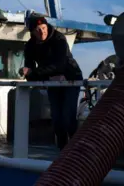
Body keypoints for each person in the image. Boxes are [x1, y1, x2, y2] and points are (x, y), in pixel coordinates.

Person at [21, 15, 83, 150]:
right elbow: (29, 69)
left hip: (71, 79)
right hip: (52, 81)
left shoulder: (59, 39)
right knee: (57, 119)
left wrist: (34, 73)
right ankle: (63, 152)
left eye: (43, 28)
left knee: (68, 116)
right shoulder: (30, 46)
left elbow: (60, 65)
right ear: (32, 32)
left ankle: (77, 151)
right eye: (37, 29)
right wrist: (27, 72)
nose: (42, 32)